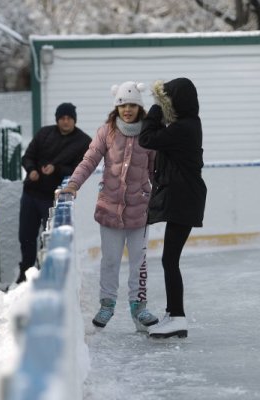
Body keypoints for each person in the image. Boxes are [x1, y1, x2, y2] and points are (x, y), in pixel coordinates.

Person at [61, 81, 159, 332]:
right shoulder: (107, 132)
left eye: (132, 105)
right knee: (111, 260)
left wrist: (159, 195)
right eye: (123, 105)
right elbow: (90, 159)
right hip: (110, 209)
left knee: (139, 261)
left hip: (139, 209)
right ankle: (107, 304)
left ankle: (139, 307)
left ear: (139, 108)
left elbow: (155, 170)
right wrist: (74, 184)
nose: (128, 110)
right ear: (117, 107)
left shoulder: (147, 134)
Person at [138, 77, 207, 339]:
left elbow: (147, 138)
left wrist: (155, 110)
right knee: (170, 259)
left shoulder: (184, 128)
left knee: (170, 259)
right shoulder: (187, 125)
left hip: (184, 198)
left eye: (166, 101)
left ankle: (177, 317)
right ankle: (174, 313)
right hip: (184, 196)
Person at [16, 102, 91, 284]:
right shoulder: (44, 133)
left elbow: (80, 169)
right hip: (31, 193)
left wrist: (57, 169)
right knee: (26, 235)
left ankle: (44, 273)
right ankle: (26, 271)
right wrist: (31, 169)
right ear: (57, 120)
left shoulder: (84, 141)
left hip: (54, 198)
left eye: (69, 118)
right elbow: (27, 156)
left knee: (48, 238)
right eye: (62, 118)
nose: (65, 122)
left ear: (74, 120)